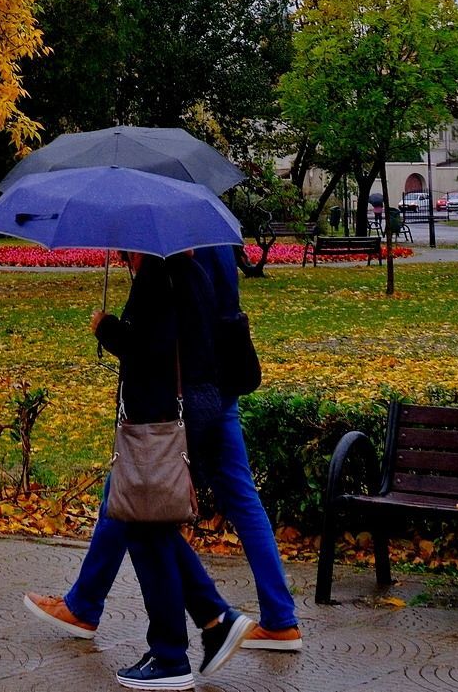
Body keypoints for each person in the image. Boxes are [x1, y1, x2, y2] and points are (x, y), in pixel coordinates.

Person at [24, 245, 303, 654]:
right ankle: (276, 619)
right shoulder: (213, 236)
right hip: (217, 383)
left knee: (132, 496)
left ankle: (112, 614)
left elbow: (160, 335)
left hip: (184, 393)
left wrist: (112, 327)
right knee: (230, 498)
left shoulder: (174, 256)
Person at [45, 251, 252, 690]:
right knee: (152, 529)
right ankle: (215, 618)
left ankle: (170, 655)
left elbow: (150, 349)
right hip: (186, 411)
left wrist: (107, 329)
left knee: (143, 527)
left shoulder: (161, 278)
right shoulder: (185, 272)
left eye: (125, 248)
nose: (123, 253)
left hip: (160, 421)